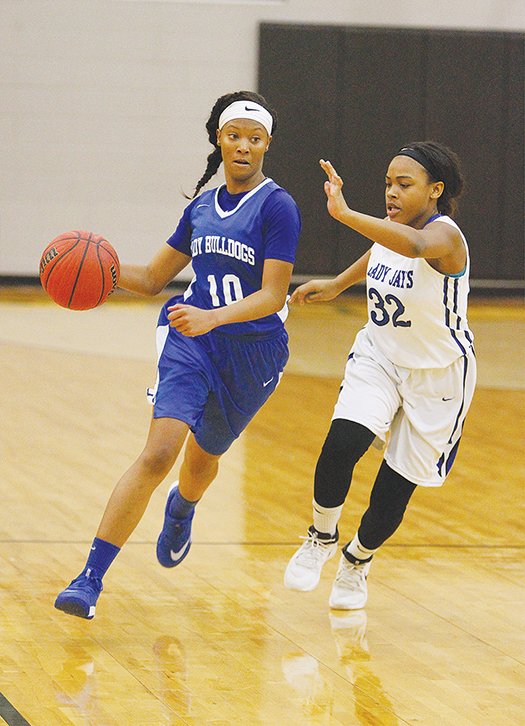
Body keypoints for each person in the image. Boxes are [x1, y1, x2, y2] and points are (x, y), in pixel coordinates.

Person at [54, 90, 301, 619]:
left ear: (266, 146)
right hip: (191, 340)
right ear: (220, 138)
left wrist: (216, 315)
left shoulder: (278, 206)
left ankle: (183, 509)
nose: (243, 146)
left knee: (202, 459)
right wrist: (98, 269)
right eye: (234, 135)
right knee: (158, 454)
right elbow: (151, 280)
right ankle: (89, 580)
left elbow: (274, 294)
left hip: (254, 353)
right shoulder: (201, 208)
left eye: (254, 139)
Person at [284, 142, 476, 610]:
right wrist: (336, 284)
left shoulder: (444, 237)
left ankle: (357, 559)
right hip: (380, 356)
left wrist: (344, 212)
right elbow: (380, 253)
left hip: (439, 375)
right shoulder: (391, 229)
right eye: (388, 182)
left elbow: (410, 247)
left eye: (403, 184)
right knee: (343, 441)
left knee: (394, 488)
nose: (391, 192)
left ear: (435, 190)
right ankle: (321, 536)